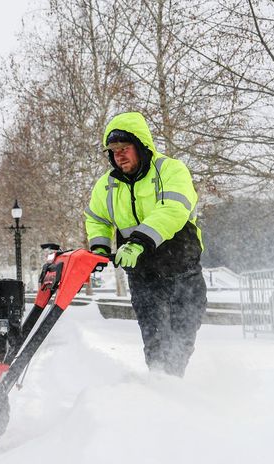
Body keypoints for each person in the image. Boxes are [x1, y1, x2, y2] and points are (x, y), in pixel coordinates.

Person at [84, 112, 207, 377]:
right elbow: (96, 218)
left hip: (181, 269)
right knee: (156, 339)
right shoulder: (106, 186)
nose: (119, 155)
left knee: (183, 335)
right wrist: (100, 249)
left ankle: (172, 384)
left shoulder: (171, 170)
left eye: (125, 148)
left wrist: (138, 242)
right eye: (114, 151)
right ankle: (161, 385)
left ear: (141, 146)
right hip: (143, 275)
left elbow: (173, 209)